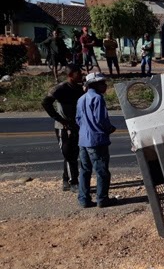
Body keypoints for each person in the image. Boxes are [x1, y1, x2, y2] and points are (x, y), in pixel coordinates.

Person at [76, 72, 117, 208]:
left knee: (84, 170)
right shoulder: (98, 98)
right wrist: (110, 128)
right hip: (96, 140)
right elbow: (101, 119)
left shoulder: (81, 99)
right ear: (97, 85)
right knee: (102, 171)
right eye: (103, 83)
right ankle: (102, 198)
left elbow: (78, 119)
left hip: (83, 140)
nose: (105, 86)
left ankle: (83, 199)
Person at [41, 65, 85, 192]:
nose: (81, 75)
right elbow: (46, 102)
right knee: (69, 154)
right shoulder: (61, 88)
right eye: (78, 73)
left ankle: (66, 179)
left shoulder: (79, 88)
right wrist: (60, 119)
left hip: (77, 126)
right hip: (64, 128)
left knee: (73, 154)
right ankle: (73, 182)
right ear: (71, 75)